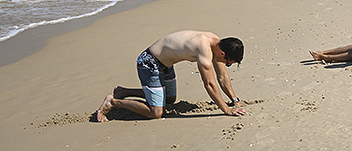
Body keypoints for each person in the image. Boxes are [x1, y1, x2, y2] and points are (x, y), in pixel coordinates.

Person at [97, 30, 246, 122]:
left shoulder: (216, 42)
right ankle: (113, 102)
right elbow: (210, 84)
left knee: (169, 99)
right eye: (228, 63)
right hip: (149, 63)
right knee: (156, 113)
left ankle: (124, 92)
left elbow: (222, 76)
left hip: (165, 64)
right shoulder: (204, 48)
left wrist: (234, 100)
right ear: (222, 54)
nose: (226, 65)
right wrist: (226, 109)